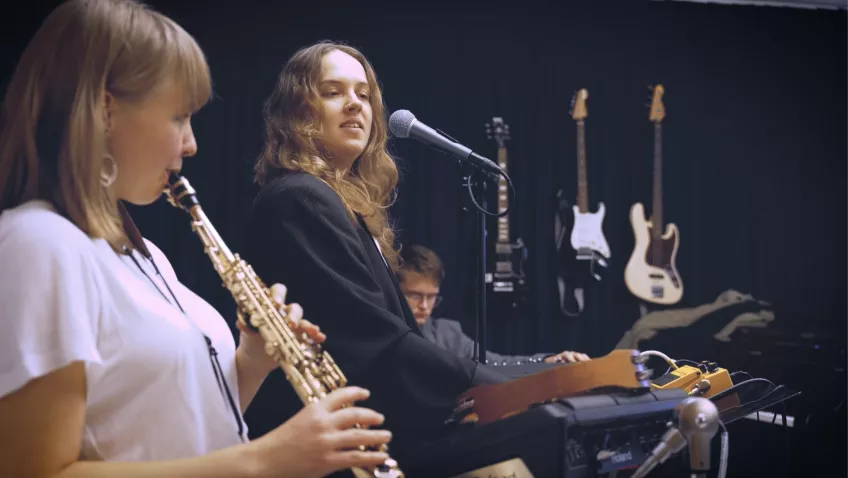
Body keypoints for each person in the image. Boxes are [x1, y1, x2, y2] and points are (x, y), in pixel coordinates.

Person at [0, 2, 393, 477]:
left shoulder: (148, 258)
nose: (191, 145)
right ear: (105, 110)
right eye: (179, 118)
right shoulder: (40, 242)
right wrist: (268, 459)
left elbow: (178, 429)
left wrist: (250, 362)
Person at [243, 41, 552, 464]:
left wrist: (530, 375)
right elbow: (376, 342)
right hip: (333, 450)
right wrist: (501, 390)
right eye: (333, 92)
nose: (355, 104)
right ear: (298, 111)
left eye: (363, 94)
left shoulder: (341, 203)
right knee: (547, 431)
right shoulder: (300, 197)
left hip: (372, 430)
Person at [397, 244, 591, 365]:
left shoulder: (447, 334)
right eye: (414, 296)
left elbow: (493, 364)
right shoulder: (380, 335)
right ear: (395, 290)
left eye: (431, 297)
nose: (424, 306)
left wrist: (547, 361)